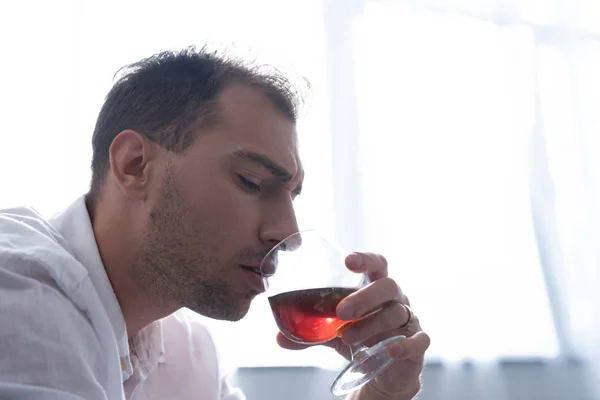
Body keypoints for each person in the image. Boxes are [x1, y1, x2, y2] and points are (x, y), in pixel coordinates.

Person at [0, 47, 430, 400]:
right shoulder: (20, 290)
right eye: (251, 181)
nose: (286, 234)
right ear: (135, 166)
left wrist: (378, 396)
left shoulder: (190, 352)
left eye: (292, 195)